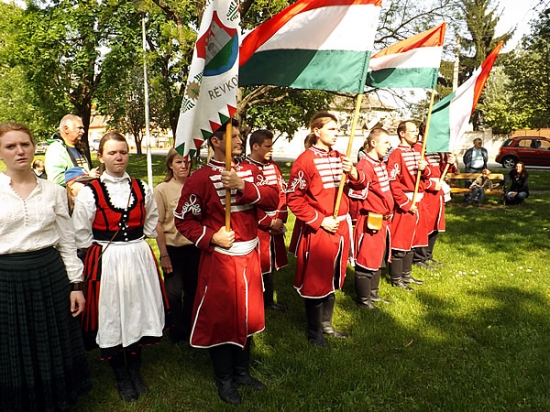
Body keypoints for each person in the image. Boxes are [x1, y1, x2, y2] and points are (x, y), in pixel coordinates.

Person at [174, 119, 278, 405]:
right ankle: (224, 379)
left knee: (247, 315)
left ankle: (242, 372)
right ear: (216, 142)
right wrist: (212, 237)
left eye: (241, 136)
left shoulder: (250, 171)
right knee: (222, 319)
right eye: (233, 137)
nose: (240, 141)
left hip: (250, 258)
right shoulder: (200, 179)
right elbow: (184, 220)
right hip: (221, 261)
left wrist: (243, 185)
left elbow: (272, 199)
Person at [0, 122, 91, 411]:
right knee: (13, 344)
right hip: (6, 278)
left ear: (33, 147)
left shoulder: (53, 191)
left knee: (49, 340)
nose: (19, 151)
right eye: (10, 146)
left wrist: (76, 284)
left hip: (48, 274)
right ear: (1, 153)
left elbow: (67, 240)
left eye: (24, 144)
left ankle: (55, 397)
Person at [72, 132, 167, 403]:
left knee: (137, 308)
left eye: (123, 152)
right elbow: (80, 233)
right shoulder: (89, 193)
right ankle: (121, 375)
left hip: (137, 255)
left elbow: (152, 220)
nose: (119, 157)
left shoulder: (141, 187)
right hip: (108, 259)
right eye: (112, 152)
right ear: (101, 157)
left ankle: (135, 370)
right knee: (112, 312)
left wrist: (139, 241)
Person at [287, 111, 366, 347]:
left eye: (337, 128)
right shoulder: (305, 160)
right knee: (316, 280)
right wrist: (320, 220)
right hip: (320, 229)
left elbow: (360, 185)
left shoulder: (341, 157)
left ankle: (326, 324)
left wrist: (354, 172)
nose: (336, 133)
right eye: (331, 128)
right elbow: (294, 198)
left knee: (332, 276)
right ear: (316, 131)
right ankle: (314, 332)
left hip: (341, 227)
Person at [154, 149, 201, 345]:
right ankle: (176, 330)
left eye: (187, 162)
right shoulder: (162, 190)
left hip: (194, 247)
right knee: (174, 293)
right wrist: (164, 254)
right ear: (170, 165)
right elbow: (157, 223)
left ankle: (190, 327)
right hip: (173, 248)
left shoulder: (196, 187)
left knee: (193, 290)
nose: (183, 166)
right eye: (179, 162)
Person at [243, 129, 289, 311]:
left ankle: (268, 301)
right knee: (258, 264)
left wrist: (280, 219)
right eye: (267, 146)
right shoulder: (244, 169)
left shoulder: (273, 167)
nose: (271, 149)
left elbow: (282, 193)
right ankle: (254, 301)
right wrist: (267, 222)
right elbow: (248, 202)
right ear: (255, 146)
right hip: (256, 227)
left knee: (270, 263)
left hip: (275, 223)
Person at [350, 128, 394, 310]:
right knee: (366, 260)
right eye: (386, 142)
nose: (389, 146)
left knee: (377, 258)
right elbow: (356, 197)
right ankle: (363, 299)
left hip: (383, 220)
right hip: (370, 220)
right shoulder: (365, 165)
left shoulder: (380, 163)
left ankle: (373, 294)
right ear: (374, 143)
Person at [386, 120, 430, 291]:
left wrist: (424, 169)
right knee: (401, 241)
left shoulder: (418, 151)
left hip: (418, 201)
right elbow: (393, 182)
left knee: (412, 240)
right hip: (405, 203)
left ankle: (406, 274)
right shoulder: (396, 154)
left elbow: (427, 176)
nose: (416, 134)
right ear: (402, 134)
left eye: (416, 131)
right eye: (411, 131)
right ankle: (396, 278)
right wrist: (405, 203)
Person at [45, 114, 99, 186]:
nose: (83, 131)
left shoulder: (77, 148)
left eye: (83, 128)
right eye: (79, 128)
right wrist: (87, 176)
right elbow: (56, 179)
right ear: (66, 129)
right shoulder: (56, 149)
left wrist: (91, 173)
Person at [462, 138, 488, 202]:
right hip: (471, 169)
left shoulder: (484, 150)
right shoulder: (469, 151)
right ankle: (467, 197)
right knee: (468, 183)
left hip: (480, 169)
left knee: (479, 183)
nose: (480, 144)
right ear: (474, 143)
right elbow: (465, 159)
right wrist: (468, 165)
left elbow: (486, 159)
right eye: (478, 143)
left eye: (481, 142)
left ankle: (477, 197)